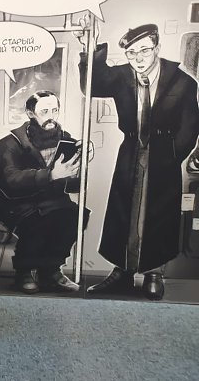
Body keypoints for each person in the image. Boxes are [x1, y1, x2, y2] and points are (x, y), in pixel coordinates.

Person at [76, 19, 199, 300]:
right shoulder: (121, 76)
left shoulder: (182, 81)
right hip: (131, 151)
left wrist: (172, 156)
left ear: (157, 47)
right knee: (124, 211)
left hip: (164, 154)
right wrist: (90, 48)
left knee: (158, 214)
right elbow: (90, 85)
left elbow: (191, 126)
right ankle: (122, 272)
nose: (139, 58)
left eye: (144, 50)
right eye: (132, 53)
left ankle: (154, 273)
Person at [0, 90, 90, 294]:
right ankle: (24, 271)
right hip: (17, 204)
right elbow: (11, 181)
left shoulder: (66, 141)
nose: (51, 116)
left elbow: (74, 186)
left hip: (53, 201)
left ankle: (51, 270)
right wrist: (51, 175)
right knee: (39, 219)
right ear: (30, 113)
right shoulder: (9, 144)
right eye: (44, 111)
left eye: (55, 110)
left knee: (77, 216)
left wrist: (82, 163)